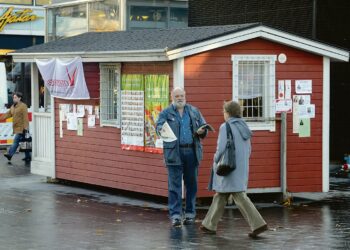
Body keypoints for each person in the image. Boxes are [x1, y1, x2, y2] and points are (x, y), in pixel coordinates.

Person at [200, 101, 268, 238]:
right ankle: (209, 225)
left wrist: (215, 159)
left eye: (224, 112)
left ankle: (258, 224)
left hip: (228, 166)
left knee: (238, 195)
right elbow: (249, 149)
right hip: (241, 167)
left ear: (228, 113)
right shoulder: (244, 126)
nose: (223, 114)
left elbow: (221, 148)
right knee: (222, 194)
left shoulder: (225, 127)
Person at [156, 87, 208, 227]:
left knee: (192, 185)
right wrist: (161, 129)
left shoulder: (193, 111)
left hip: (191, 152)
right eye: (177, 96)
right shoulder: (166, 113)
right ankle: (176, 216)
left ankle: (190, 214)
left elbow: (204, 127)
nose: (180, 98)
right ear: (172, 97)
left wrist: (202, 131)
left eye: (182, 95)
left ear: (185, 96)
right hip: (174, 153)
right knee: (175, 186)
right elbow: (158, 127)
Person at [0, 92, 31, 162]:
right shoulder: (13, 106)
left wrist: (26, 128)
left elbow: (25, 117)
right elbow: (8, 114)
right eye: (13, 97)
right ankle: (28, 156)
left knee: (16, 142)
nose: (14, 99)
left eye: (15, 97)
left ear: (19, 98)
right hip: (17, 127)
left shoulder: (23, 106)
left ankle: (10, 154)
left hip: (22, 128)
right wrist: (1, 118)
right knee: (25, 141)